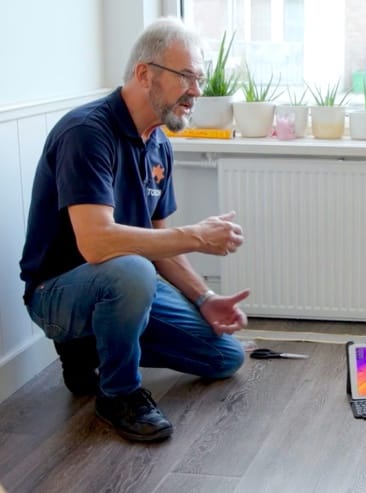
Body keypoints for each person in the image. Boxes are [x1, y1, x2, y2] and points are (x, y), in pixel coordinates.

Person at [18, 17, 250, 443]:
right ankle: (118, 394)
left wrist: (205, 297)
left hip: (124, 283)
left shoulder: (158, 144)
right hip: (57, 293)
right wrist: (197, 235)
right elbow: (96, 244)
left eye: (198, 79)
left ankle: (93, 347)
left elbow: (159, 241)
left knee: (224, 358)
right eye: (186, 76)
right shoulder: (87, 133)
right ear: (145, 74)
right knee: (133, 270)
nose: (197, 91)